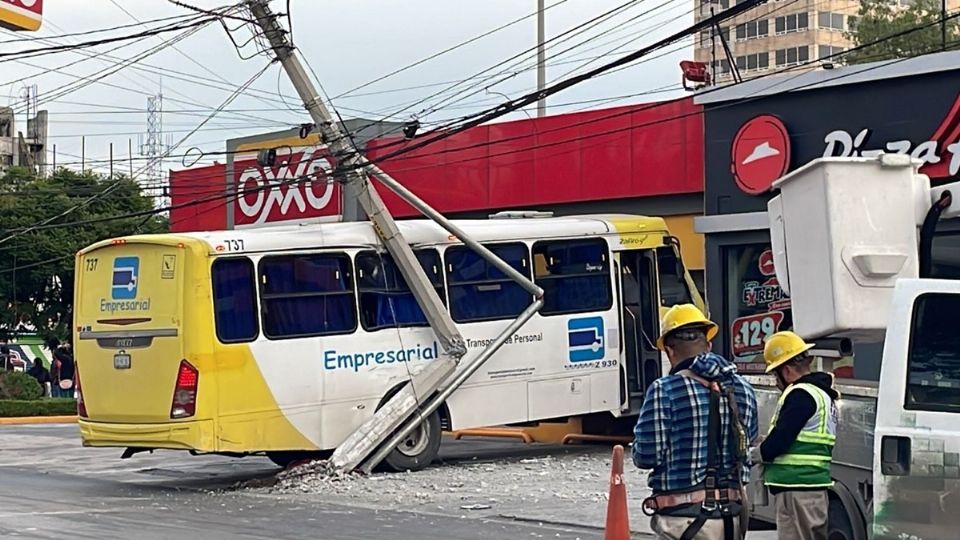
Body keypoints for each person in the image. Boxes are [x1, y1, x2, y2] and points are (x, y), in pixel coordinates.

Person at [634, 304, 759, 540]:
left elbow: (646, 456)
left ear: (669, 351)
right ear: (708, 344)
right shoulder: (743, 388)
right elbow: (749, 441)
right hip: (731, 518)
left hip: (683, 519)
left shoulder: (664, 390)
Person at [755, 331, 839, 540]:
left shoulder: (800, 394)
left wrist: (756, 453)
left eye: (775, 375)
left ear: (787, 370)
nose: (775, 382)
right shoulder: (820, 394)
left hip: (797, 489)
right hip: (810, 488)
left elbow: (781, 439)